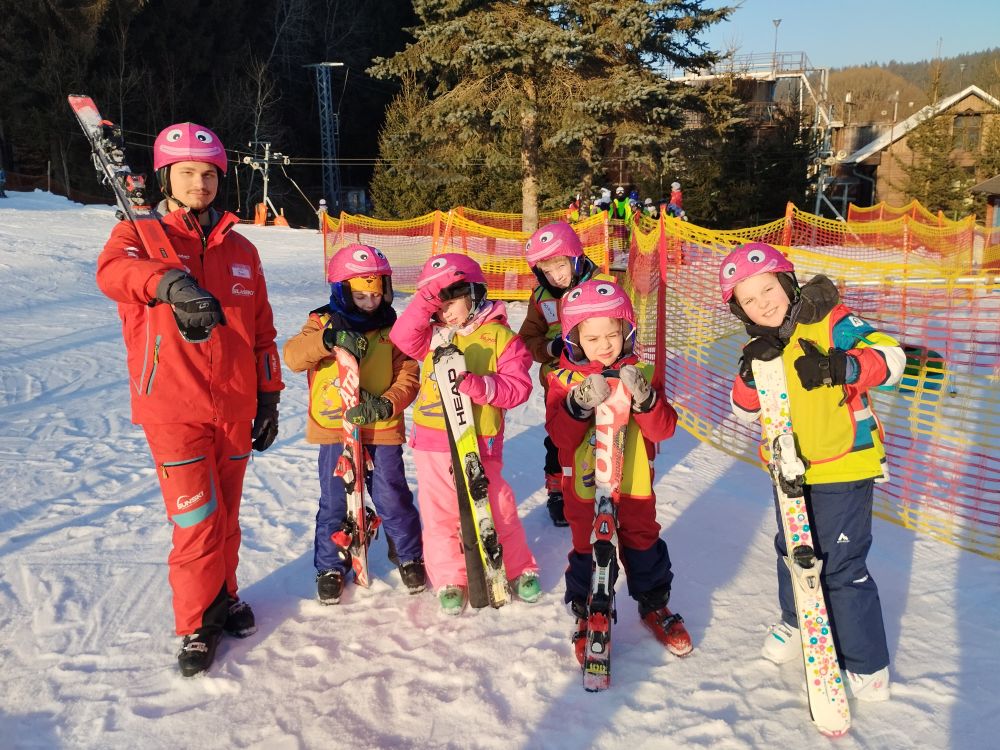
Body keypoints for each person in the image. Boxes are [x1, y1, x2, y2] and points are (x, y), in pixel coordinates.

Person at [95, 122, 284, 677]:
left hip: (235, 405)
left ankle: (224, 595)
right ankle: (197, 620)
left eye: (209, 174)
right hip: (173, 409)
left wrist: (268, 396)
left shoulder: (242, 249)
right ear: (165, 177)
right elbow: (112, 274)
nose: (200, 183)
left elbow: (264, 332)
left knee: (227, 514)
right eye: (187, 173)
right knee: (196, 518)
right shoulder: (138, 235)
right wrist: (167, 283)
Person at [721, 241, 905, 702]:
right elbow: (743, 410)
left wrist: (843, 365)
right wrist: (748, 374)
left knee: (841, 564)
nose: (763, 303)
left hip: (844, 463)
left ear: (787, 281)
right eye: (749, 299)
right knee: (794, 550)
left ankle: (867, 661)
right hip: (789, 470)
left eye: (768, 289)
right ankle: (797, 619)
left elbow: (892, 357)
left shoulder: (833, 320)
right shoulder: (758, 345)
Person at [545, 280, 693, 662]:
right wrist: (577, 406)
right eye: (592, 338)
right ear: (574, 340)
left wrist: (645, 400)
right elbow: (559, 438)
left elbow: (663, 429)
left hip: (633, 486)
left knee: (643, 545)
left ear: (627, 333)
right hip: (583, 487)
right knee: (587, 550)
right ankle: (587, 612)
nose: (604, 345)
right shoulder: (562, 380)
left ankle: (654, 605)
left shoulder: (639, 373)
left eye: (612, 334)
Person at [390, 253, 540, 615]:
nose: (446, 313)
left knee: (497, 507)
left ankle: (519, 569)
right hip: (433, 441)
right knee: (440, 512)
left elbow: (518, 388)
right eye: (438, 306)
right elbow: (400, 335)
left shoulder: (501, 337)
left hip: (480, 441)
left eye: (451, 302)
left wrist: (481, 387)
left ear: (473, 293)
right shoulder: (433, 336)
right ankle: (450, 578)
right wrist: (427, 297)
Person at [282, 243, 425, 605]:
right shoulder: (321, 322)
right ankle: (331, 565)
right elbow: (293, 357)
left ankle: (408, 554)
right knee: (335, 499)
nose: (370, 302)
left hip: (381, 424)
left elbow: (409, 376)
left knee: (391, 495)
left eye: (376, 294)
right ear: (341, 292)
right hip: (334, 426)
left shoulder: (394, 328)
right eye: (360, 295)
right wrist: (326, 341)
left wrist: (385, 405)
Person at [518, 221, 613, 526]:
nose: (556, 275)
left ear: (574, 256)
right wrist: (549, 348)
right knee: (560, 438)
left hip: (600, 375)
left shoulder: (602, 286)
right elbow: (528, 339)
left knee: (602, 434)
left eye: (560, 265)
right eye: (547, 270)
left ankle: (607, 486)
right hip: (561, 382)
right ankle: (559, 488)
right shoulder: (543, 297)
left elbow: (622, 325)